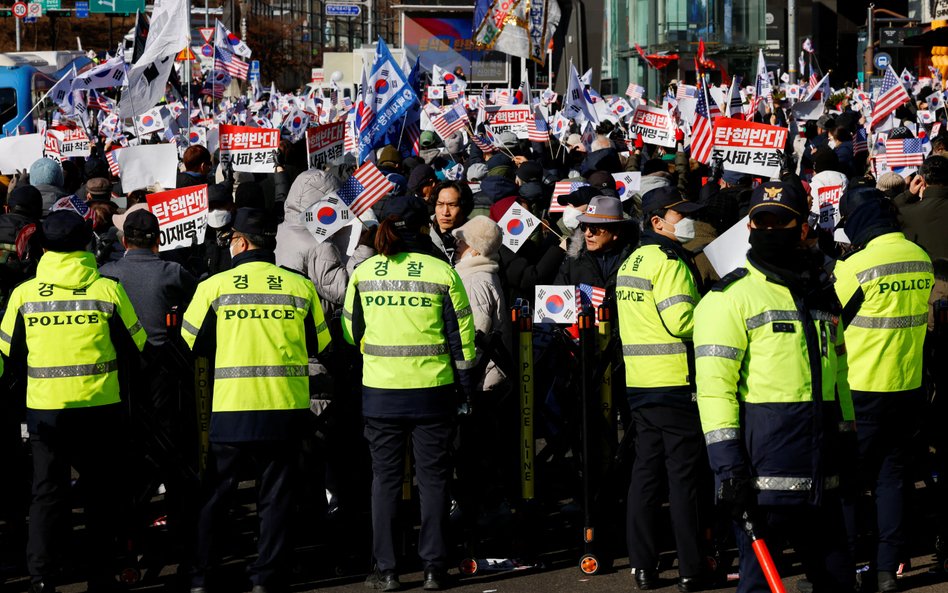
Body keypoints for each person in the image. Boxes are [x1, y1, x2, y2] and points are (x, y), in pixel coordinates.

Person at [694, 181, 855, 593]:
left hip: (823, 475)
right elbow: (715, 391)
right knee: (759, 586)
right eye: (759, 221)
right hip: (762, 482)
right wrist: (727, 469)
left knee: (839, 581)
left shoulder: (819, 291)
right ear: (748, 227)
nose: (768, 229)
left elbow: (838, 370)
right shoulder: (729, 297)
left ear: (803, 228)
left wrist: (848, 434)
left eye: (779, 221)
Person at [182, 207, 331, 593]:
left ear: (240, 241)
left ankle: (201, 577)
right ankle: (266, 578)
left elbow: (189, 343)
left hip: (232, 409)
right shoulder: (300, 287)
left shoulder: (214, 286)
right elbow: (323, 345)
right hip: (285, 410)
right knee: (276, 499)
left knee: (216, 497)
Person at [0, 210, 147, 593]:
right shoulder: (107, 290)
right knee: (101, 493)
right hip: (101, 409)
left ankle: (43, 576)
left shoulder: (24, 295)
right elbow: (138, 348)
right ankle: (100, 575)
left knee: (48, 491)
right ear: (87, 245)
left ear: (43, 248)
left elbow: (6, 360)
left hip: (46, 411)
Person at [342, 194, 476, 591]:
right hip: (433, 393)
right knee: (433, 481)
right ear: (424, 226)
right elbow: (463, 341)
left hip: (381, 392)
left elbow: (351, 331)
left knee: (383, 480)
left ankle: (386, 570)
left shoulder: (365, 273)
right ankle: (434, 568)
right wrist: (466, 390)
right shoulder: (442, 271)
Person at [834, 187, 933, 592]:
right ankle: (886, 569)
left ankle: (844, 570)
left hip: (860, 388)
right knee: (892, 479)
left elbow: (830, 317)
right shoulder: (921, 258)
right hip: (907, 384)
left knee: (848, 483)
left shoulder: (855, 266)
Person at [616, 186, 705, 591]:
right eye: (678, 215)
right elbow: (682, 322)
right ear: (656, 222)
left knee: (646, 476)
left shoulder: (631, 259)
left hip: (641, 382)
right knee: (684, 478)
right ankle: (691, 569)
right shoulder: (670, 262)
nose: (687, 221)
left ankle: (643, 566)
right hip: (675, 381)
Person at [555, 195, 638, 295]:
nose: (587, 233)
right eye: (584, 226)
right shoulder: (574, 260)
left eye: (594, 228)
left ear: (616, 232)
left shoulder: (637, 259)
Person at [899, 155, 948, 259]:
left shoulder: (907, 213)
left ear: (921, 180)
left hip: (925, 273)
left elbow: (885, 212)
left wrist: (909, 194)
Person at [430, 181, 473, 263]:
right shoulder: (421, 233)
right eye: (440, 204)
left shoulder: (478, 238)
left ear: (464, 208)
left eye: (452, 205)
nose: (445, 212)